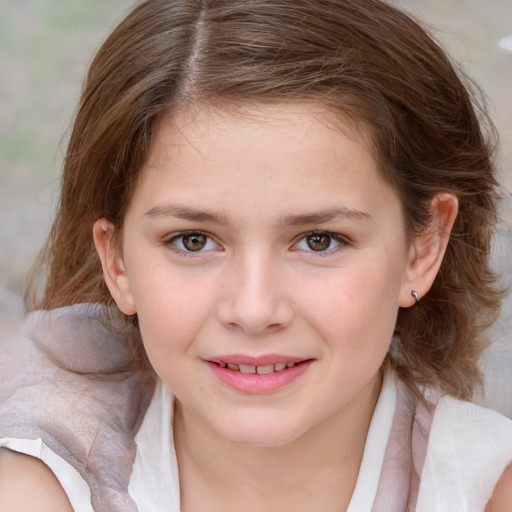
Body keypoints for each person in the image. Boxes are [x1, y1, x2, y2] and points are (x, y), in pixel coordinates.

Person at [0, 0, 511, 510]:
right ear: (117, 263)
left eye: (319, 240)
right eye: (193, 240)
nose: (253, 309)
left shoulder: (487, 491)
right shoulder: (38, 489)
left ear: (421, 248)